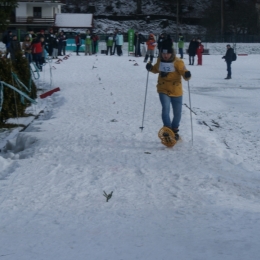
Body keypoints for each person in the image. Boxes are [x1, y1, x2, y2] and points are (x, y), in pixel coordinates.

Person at [145, 40, 191, 139]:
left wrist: (187, 74)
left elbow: (184, 72)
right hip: (163, 89)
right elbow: (155, 69)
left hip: (176, 90)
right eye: (164, 53)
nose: (166, 55)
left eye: (168, 53)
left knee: (177, 112)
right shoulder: (160, 61)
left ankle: (174, 130)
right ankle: (167, 128)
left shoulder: (178, 62)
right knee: (165, 108)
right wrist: (150, 68)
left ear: (172, 53)